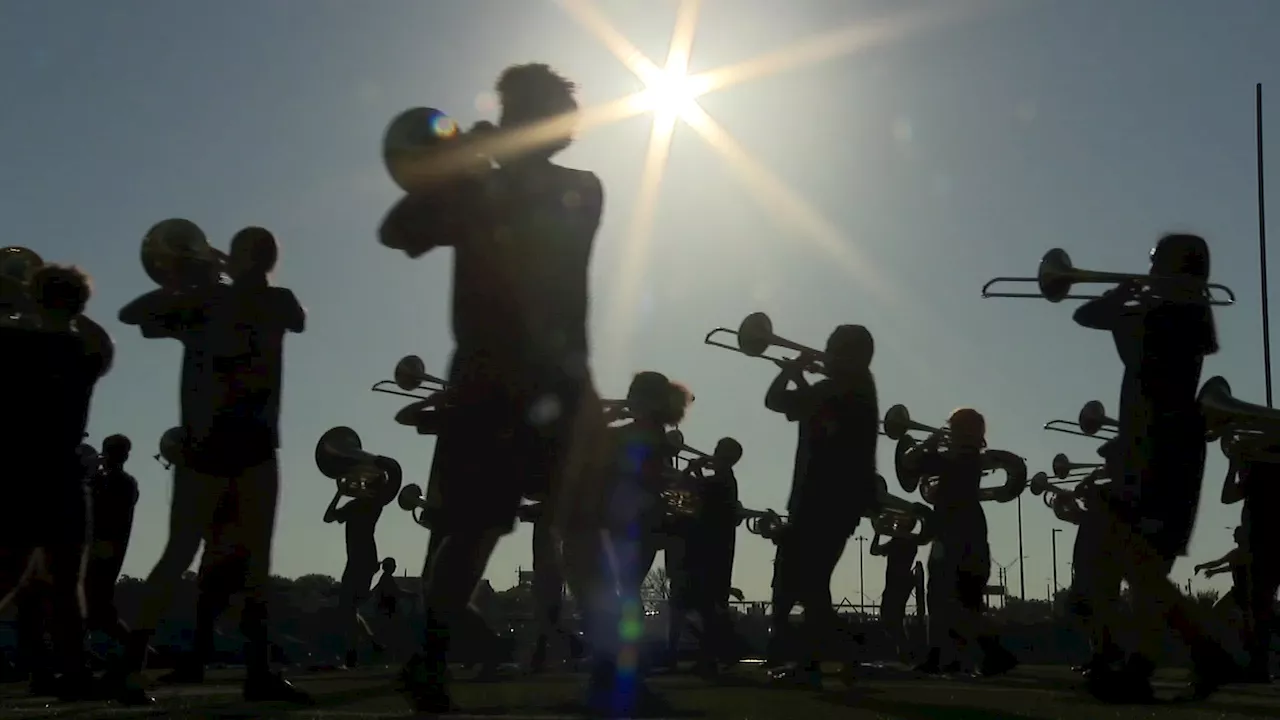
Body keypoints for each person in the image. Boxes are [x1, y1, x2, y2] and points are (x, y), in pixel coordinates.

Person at [381, 63, 605, 715]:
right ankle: (428, 660)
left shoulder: (578, 188)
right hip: (505, 376)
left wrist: (479, 164)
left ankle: (610, 665)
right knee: (481, 528)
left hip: (542, 377)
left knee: (576, 526)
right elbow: (398, 232)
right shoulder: (483, 188)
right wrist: (465, 168)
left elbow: (414, 227)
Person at [116, 227, 310, 705]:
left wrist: (193, 281)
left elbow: (135, 315)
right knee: (236, 562)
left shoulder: (220, 301)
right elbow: (133, 315)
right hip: (238, 446)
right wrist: (199, 282)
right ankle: (255, 673)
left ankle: (132, 669)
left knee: (188, 555)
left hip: (228, 447)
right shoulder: (240, 299)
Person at [1072, 234, 1239, 701]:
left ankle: (1199, 655)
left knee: (1139, 567)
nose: (1147, 270)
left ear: (1171, 267)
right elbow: (1092, 318)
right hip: (1160, 452)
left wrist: (1117, 297)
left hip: (1158, 455)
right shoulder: (1187, 313)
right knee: (1145, 573)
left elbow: (1090, 317)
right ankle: (1145, 666)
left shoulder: (1172, 316)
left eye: (1153, 263)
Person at [0, 265, 110, 701]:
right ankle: (76, 674)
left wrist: (21, 302)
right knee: (67, 587)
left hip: (15, 472)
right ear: (80, 303)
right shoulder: (83, 350)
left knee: (5, 574)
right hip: (62, 476)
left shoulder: (9, 342)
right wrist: (72, 310)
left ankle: (75, 673)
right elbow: (105, 342)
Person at [763, 324, 879, 687]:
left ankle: (838, 654)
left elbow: (778, 401)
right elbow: (799, 407)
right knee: (812, 584)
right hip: (826, 500)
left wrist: (792, 371)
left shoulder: (847, 388)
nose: (826, 355)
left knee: (809, 582)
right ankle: (835, 656)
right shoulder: (852, 388)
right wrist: (797, 375)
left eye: (833, 349)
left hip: (823, 500)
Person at [912, 409, 1017, 677]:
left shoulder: (963, 458)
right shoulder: (967, 459)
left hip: (956, 536)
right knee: (960, 604)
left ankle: (982, 654)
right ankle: (957, 658)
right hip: (965, 534)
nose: (948, 432)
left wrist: (930, 443)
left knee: (946, 601)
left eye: (952, 428)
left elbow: (922, 464)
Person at [680, 437, 745, 675]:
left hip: (712, 549)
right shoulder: (725, 479)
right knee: (708, 605)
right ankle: (715, 654)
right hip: (716, 548)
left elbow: (692, 490)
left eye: (718, 451)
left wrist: (692, 469)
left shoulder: (722, 480)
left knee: (705, 604)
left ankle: (724, 650)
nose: (714, 454)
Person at [324, 469, 396, 669]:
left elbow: (329, 517)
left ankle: (354, 654)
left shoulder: (372, 505)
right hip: (359, 561)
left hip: (362, 561)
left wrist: (342, 492)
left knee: (347, 607)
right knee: (349, 608)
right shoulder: (357, 505)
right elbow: (328, 518)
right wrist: (341, 492)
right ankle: (371, 646)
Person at [1222, 443, 1280, 682]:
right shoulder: (1269, 472)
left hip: (1261, 548)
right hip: (1271, 547)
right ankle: (1259, 666)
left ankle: (1259, 668)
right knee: (1262, 609)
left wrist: (1232, 466)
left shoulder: (1258, 475)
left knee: (1259, 609)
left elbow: (1227, 497)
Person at [85, 435, 140, 649]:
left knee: (97, 608)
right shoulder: (113, 480)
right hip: (103, 550)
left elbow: (103, 512)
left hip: (104, 550)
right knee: (95, 608)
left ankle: (138, 650)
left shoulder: (120, 482)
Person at [870, 518, 925, 662]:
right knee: (896, 619)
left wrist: (878, 533)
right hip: (903, 582)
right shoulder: (910, 542)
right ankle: (904, 652)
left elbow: (874, 550)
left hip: (895, 583)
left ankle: (905, 652)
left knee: (890, 619)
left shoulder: (897, 542)